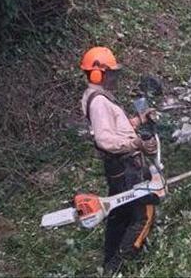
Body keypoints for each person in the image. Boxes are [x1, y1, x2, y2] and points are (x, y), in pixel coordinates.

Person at [79, 46, 159, 276]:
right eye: (111, 72)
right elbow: (105, 140)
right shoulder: (99, 102)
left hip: (120, 168)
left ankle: (110, 262)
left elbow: (117, 129)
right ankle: (124, 264)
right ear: (98, 73)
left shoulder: (100, 98)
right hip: (125, 168)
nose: (114, 77)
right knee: (144, 213)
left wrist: (138, 119)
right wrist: (137, 144)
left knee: (120, 213)